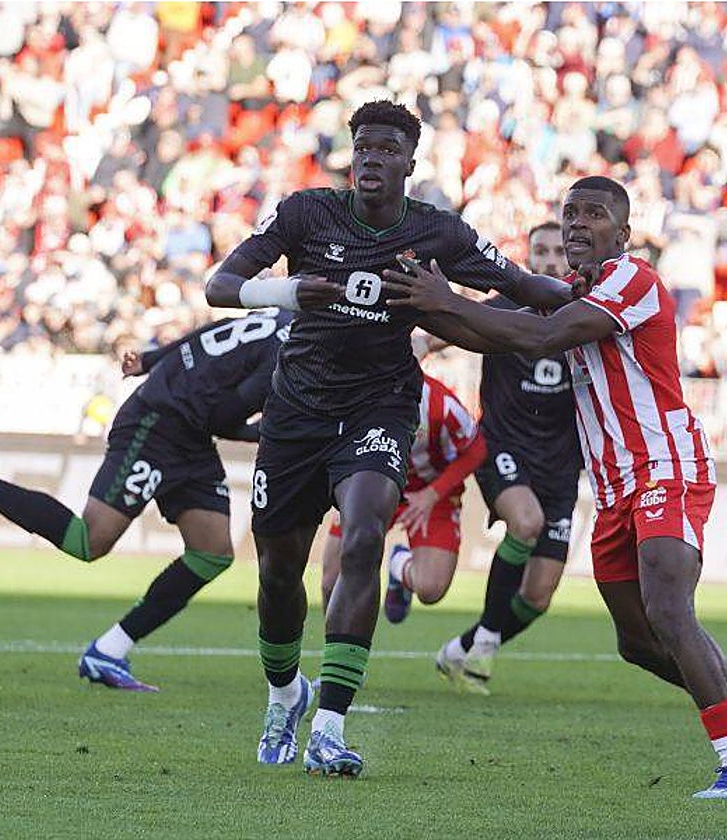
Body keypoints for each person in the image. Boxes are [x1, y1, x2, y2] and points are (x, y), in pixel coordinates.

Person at [204, 100, 572, 778]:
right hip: (297, 412)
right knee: (278, 573)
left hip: (381, 406)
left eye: (387, 149)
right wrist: (288, 294)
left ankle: (330, 728)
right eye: (364, 148)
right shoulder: (306, 214)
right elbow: (220, 286)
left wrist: (598, 292)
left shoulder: (439, 232)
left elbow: (520, 284)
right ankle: (285, 695)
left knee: (365, 536)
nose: (372, 159)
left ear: (410, 161)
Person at [383, 175, 727, 800]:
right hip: (614, 485)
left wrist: (447, 300)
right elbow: (497, 328)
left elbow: (536, 334)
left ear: (623, 233)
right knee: (635, 643)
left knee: (669, 611)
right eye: (570, 214)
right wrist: (431, 306)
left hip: (665, 467)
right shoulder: (578, 292)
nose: (576, 225)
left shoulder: (633, 279)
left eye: (593, 215)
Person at [0, 309, 292, 691]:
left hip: (189, 432)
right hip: (156, 423)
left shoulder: (281, 314)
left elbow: (211, 333)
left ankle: (108, 651)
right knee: (88, 541)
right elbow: (224, 418)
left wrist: (153, 358)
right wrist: (269, 431)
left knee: (212, 553)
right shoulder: (288, 352)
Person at [436, 221, 583, 695]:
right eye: (541, 251)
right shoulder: (504, 307)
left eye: (558, 251)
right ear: (530, 257)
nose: (550, 260)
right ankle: (484, 646)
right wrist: (419, 341)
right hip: (503, 446)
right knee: (526, 523)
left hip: (562, 464)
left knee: (538, 596)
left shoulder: (587, 315)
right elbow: (452, 324)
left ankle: (463, 647)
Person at [319, 372, 486, 622]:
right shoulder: (354, 389)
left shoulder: (440, 402)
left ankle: (400, 566)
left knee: (431, 588)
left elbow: (477, 449)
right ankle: (334, 644)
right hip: (370, 485)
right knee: (331, 580)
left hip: (426, 491)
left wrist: (432, 494)